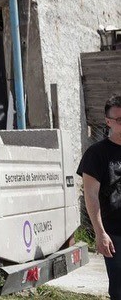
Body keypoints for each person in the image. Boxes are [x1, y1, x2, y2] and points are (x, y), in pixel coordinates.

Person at [78, 94, 121, 300]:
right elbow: (91, 195)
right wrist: (100, 233)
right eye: (120, 119)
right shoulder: (96, 154)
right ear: (108, 121)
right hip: (115, 234)